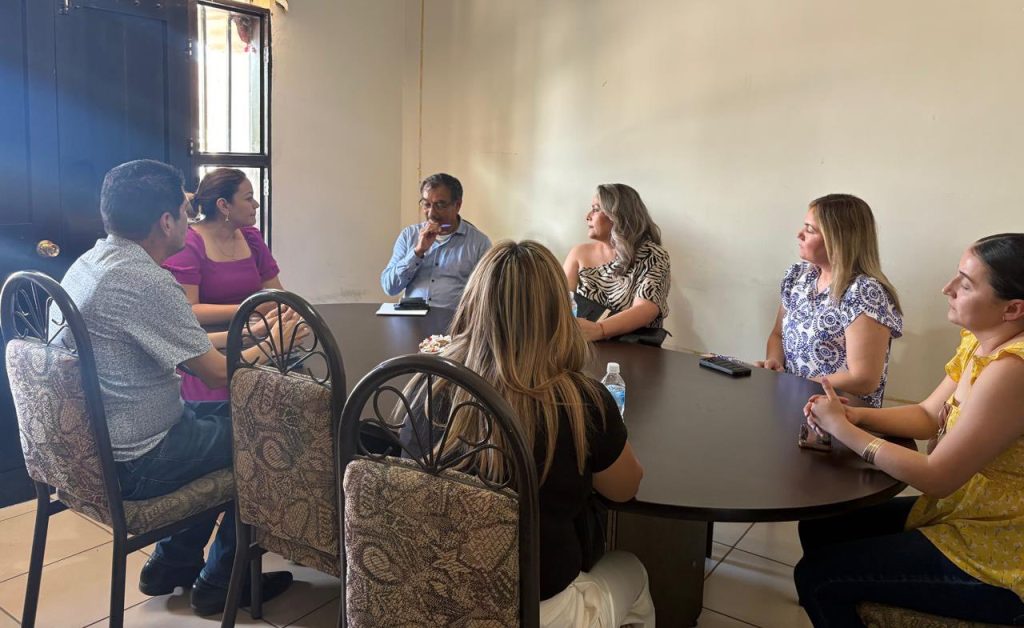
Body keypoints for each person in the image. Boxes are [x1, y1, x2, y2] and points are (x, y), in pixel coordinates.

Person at [58, 160, 300, 616]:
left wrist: (251, 333)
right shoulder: (146, 281)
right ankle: (222, 582)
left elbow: (182, 344)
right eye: (186, 211)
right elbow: (216, 374)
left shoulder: (92, 263)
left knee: (247, 419)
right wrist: (273, 345)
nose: (191, 221)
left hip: (98, 448)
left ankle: (172, 563)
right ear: (166, 221)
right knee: (275, 436)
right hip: (140, 458)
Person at [420, 240, 654, 626]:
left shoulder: (428, 386)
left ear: (473, 303)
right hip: (537, 609)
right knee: (633, 569)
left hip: (436, 593)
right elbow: (625, 489)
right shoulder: (582, 402)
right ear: (558, 313)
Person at [794, 233, 1024, 626]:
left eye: (966, 284)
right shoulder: (981, 343)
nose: (947, 288)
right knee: (822, 527)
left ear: (1013, 308)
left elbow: (938, 477)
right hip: (969, 512)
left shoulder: (1012, 370)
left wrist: (844, 430)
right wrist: (856, 417)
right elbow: (927, 414)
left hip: (1000, 547)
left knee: (818, 576)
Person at [755, 194, 902, 407]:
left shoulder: (864, 292)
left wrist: (794, 385)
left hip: (841, 415)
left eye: (810, 230)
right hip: (792, 404)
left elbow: (864, 379)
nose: (799, 234)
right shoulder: (798, 276)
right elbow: (777, 335)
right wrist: (774, 363)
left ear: (838, 239)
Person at [163, 168, 283, 402]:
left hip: (255, 337)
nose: (256, 204)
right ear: (224, 205)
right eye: (248, 198)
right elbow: (188, 311)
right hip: (208, 353)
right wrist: (250, 309)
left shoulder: (252, 238)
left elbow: (276, 294)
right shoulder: (188, 244)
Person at [562, 184, 671, 342]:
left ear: (618, 215)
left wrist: (600, 330)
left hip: (630, 349)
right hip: (582, 345)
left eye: (596, 209)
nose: (588, 216)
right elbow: (560, 301)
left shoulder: (653, 256)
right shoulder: (578, 253)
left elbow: (646, 309)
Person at [380, 173, 492, 310]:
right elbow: (390, 287)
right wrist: (417, 252)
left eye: (440, 205)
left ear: (457, 205)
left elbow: (487, 296)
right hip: (412, 318)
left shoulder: (479, 243)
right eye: (426, 204)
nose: (431, 213)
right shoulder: (409, 235)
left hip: (454, 320)